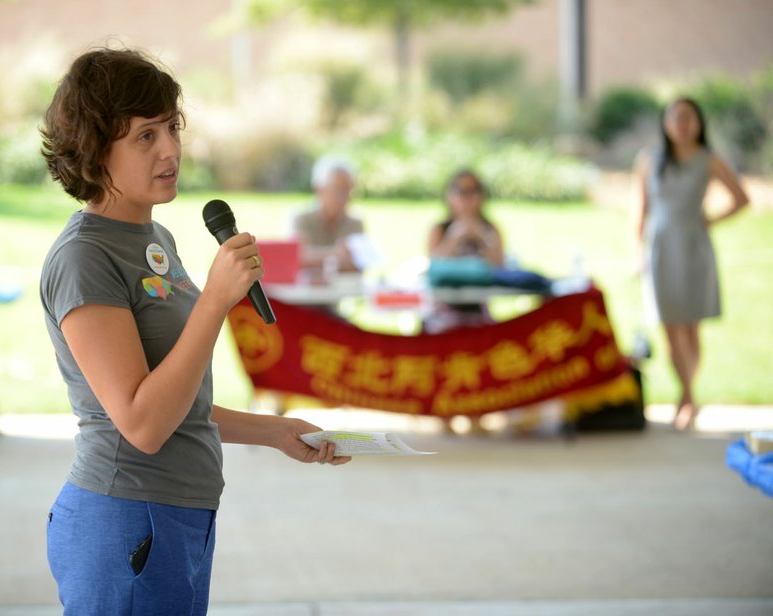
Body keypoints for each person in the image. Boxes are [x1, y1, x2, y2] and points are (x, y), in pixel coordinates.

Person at [39, 47, 350, 616]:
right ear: (93, 148)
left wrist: (274, 431)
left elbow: (177, 399)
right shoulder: (84, 258)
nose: (171, 150)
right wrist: (214, 300)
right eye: (145, 136)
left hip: (179, 515)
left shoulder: (155, 239)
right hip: (127, 519)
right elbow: (143, 423)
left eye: (172, 128)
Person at [633, 97, 748, 430]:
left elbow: (741, 199)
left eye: (688, 117)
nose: (682, 124)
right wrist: (636, 251)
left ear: (698, 122)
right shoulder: (649, 160)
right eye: (676, 117)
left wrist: (711, 220)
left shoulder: (708, 159)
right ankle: (687, 395)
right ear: (665, 123)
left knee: (691, 326)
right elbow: (638, 209)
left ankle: (687, 396)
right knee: (670, 326)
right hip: (660, 249)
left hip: (693, 248)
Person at [424, 168, 505, 334]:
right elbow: (433, 268)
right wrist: (454, 238)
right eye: (461, 192)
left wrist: (481, 239)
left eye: (474, 191)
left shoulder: (490, 229)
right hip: (443, 310)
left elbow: (500, 268)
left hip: (478, 310)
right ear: (449, 196)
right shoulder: (440, 229)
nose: (468, 199)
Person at [292, 155, 364, 282]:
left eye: (349, 190)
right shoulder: (301, 219)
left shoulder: (355, 224)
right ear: (320, 190)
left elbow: (359, 265)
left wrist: (319, 258)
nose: (345, 197)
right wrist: (336, 254)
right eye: (338, 190)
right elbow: (297, 256)